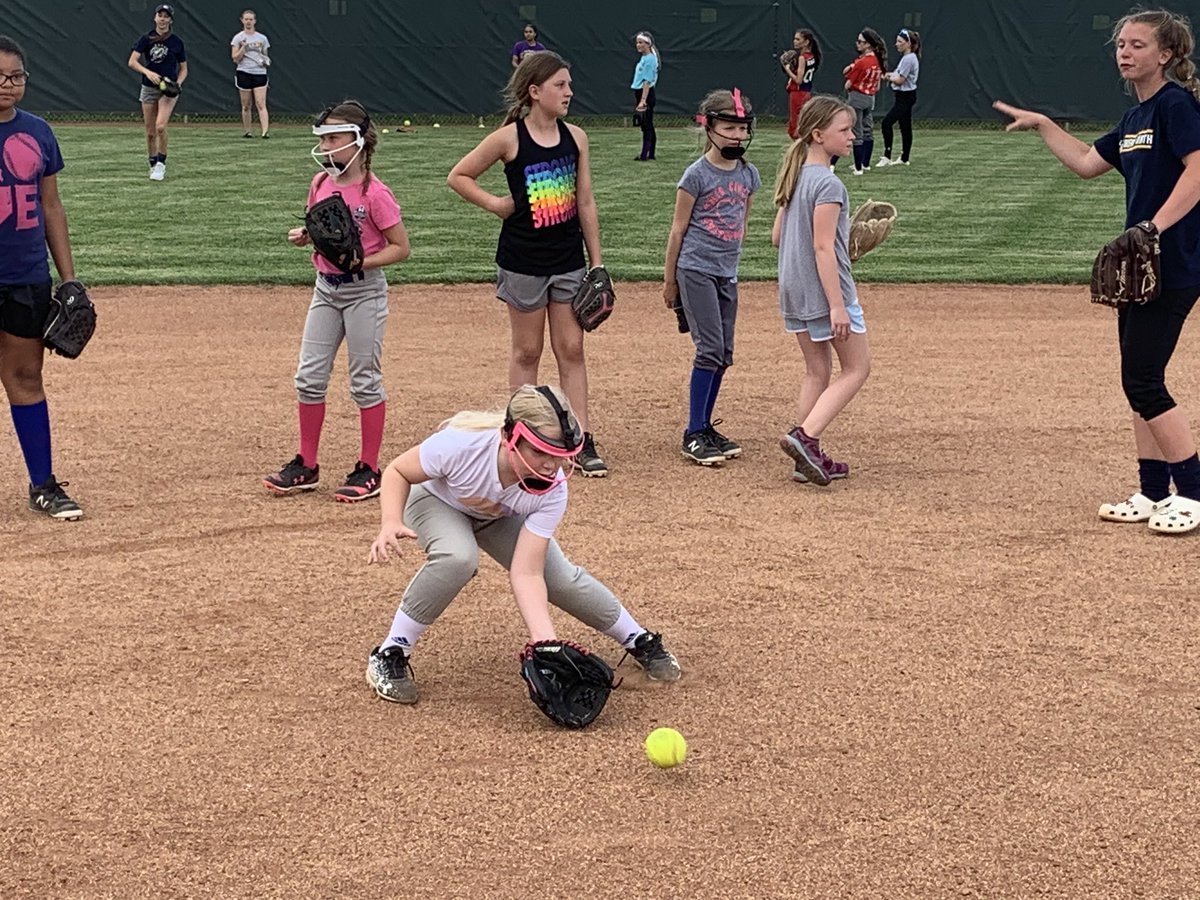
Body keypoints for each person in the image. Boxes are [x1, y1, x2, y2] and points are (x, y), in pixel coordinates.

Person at [994, 9, 1200, 535]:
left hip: (1174, 261)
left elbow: (1199, 171)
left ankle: (1194, 494)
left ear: (1166, 55)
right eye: (1121, 45)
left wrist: (1153, 228)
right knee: (1138, 381)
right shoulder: (1134, 119)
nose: (1125, 52)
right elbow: (1087, 162)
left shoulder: (1176, 106)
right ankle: (1154, 492)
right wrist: (1042, 124)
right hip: (1142, 265)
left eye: (1138, 45)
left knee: (1143, 380)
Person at [364, 384, 682, 704]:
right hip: (437, 501)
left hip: (497, 515)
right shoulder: (461, 445)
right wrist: (391, 520)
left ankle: (638, 639)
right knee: (458, 558)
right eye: (539, 451)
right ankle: (391, 651)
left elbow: (528, 573)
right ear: (509, 437)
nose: (549, 465)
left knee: (559, 578)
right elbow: (398, 471)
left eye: (559, 455)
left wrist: (545, 642)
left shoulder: (552, 489)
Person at [447, 52, 608, 477]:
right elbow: (459, 175)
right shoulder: (510, 138)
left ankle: (580, 439)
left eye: (569, 84)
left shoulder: (576, 137)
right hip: (523, 260)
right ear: (535, 92)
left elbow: (585, 201)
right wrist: (498, 205)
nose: (569, 92)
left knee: (572, 348)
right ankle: (524, 436)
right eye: (560, 85)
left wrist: (598, 264)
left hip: (568, 259)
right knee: (527, 350)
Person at [264, 100, 411, 502]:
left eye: (334, 138)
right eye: (324, 138)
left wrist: (362, 260)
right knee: (309, 377)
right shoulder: (319, 183)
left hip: (365, 291)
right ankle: (307, 464)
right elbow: (324, 228)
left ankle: (370, 468)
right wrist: (306, 235)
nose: (326, 145)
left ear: (358, 142)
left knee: (364, 379)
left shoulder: (375, 194)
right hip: (325, 290)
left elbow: (401, 248)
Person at [0, 36, 85, 519]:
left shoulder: (38, 132)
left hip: (24, 274)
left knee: (26, 376)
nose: (8, 86)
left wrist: (67, 277)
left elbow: (52, 205)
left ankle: (43, 484)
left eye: (16, 77)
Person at [772, 95, 873, 486]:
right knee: (857, 367)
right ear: (818, 134)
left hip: (793, 289)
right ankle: (806, 437)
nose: (852, 136)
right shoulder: (829, 183)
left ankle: (804, 457)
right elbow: (821, 246)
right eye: (844, 130)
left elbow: (779, 236)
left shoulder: (795, 176)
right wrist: (838, 306)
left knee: (816, 370)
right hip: (825, 292)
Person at [663, 89, 761, 466]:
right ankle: (693, 432)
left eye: (742, 128)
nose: (736, 135)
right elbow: (677, 230)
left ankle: (705, 426)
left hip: (726, 272)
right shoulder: (696, 175)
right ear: (709, 128)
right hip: (696, 268)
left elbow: (743, 224)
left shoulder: (749, 175)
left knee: (724, 353)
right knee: (708, 350)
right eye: (728, 127)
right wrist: (670, 281)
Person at [127, 3, 187, 181]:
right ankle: (152, 163)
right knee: (150, 131)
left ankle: (161, 163)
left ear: (170, 20)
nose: (162, 19)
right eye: (160, 15)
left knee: (161, 126)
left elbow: (184, 68)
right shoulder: (146, 39)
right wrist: (147, 72)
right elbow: (132, 61)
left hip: (167, 89)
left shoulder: (176, 42)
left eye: (166, 16)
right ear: (155, 18)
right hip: (149, 86)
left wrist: (178, 83)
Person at [841, 27, 887, 174]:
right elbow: (878, 85)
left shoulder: (862, 62)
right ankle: (865, 163)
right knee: (868, 130)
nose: (857, 44)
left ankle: (858, 168)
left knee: (857, 132)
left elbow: (848, 83)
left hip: (857, 97)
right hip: (870, 98)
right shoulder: (877, 60)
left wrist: (850, 83)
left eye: (860, 42)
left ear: (867, 44)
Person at [876, 28, 921, 167]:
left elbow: (900, 80)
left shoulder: (909, 59)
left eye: (900, 41)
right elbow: (896, 75)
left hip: (906, 97)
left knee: (887, 123)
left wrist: (888, 77)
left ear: (908, 43)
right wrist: (888, 75)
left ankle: (887, 155)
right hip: (903, 96)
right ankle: (904, 158)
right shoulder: (906, 58)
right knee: (905, 126)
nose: (897, 44)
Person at [231, 8, 271, 139]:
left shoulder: (262, 38)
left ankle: (265, 132)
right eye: (246, 19)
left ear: (255, 21)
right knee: (246, 105)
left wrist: (265, 61)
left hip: (259, 73)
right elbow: (235, 58)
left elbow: (265, 55)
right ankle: (247, 131)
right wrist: (243, 47)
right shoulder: (238, 38)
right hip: (244, 72)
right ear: (242, 21)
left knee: (260, 103)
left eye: (251, 19)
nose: (248, 22)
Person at [782, 29, 821, 140]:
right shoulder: (811, 56)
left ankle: (800, 151)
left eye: (798, 39)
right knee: (803, 122)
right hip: (806, 92)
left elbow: (799, 80)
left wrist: (788, 69)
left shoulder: (802, 57)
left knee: (795, 128)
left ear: (806, 42)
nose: (795, 41)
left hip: (798, 93)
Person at [631, 31, 660, 161]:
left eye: (641, 42)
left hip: (646, 94)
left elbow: (647, 82)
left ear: (648, 44)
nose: (638, 45)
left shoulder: (650, 60)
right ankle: (650, 153)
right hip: (640, 92)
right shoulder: (644, 58)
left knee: (646, 124)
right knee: (647, 124)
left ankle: (645, 154)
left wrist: (643, 100)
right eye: (637, 42)